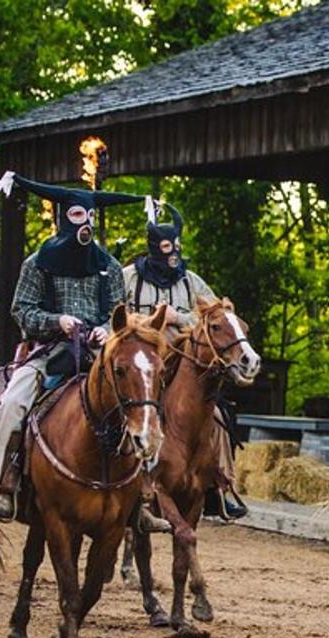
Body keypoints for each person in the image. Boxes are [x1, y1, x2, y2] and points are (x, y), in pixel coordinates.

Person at [0, 171, 162, 525]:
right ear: (63, 217)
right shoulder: (37, 263)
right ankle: (4, 485)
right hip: (49, 351)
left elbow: (118, 314)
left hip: (99, 352)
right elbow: (22, 311)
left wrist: (104, 329)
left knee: (144, 399)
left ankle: (141, 496)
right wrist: (58, 322)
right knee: (13, 404)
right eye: (79, 216)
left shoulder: (108, 266)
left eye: (91, 216)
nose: (86, 223)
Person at [122, 201, 247, 520]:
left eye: (176, 247)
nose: (173, 255)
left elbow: (217, 317)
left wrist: (182, 317)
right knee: (127, 408)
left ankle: (218, 487)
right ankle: (125, 480)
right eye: (167, 249)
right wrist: (143, 321)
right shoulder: (130, 278)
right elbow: (113, 315)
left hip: (183, 364)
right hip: (143, 361)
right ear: (153, 249)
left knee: (217, 416)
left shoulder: (191, 281)